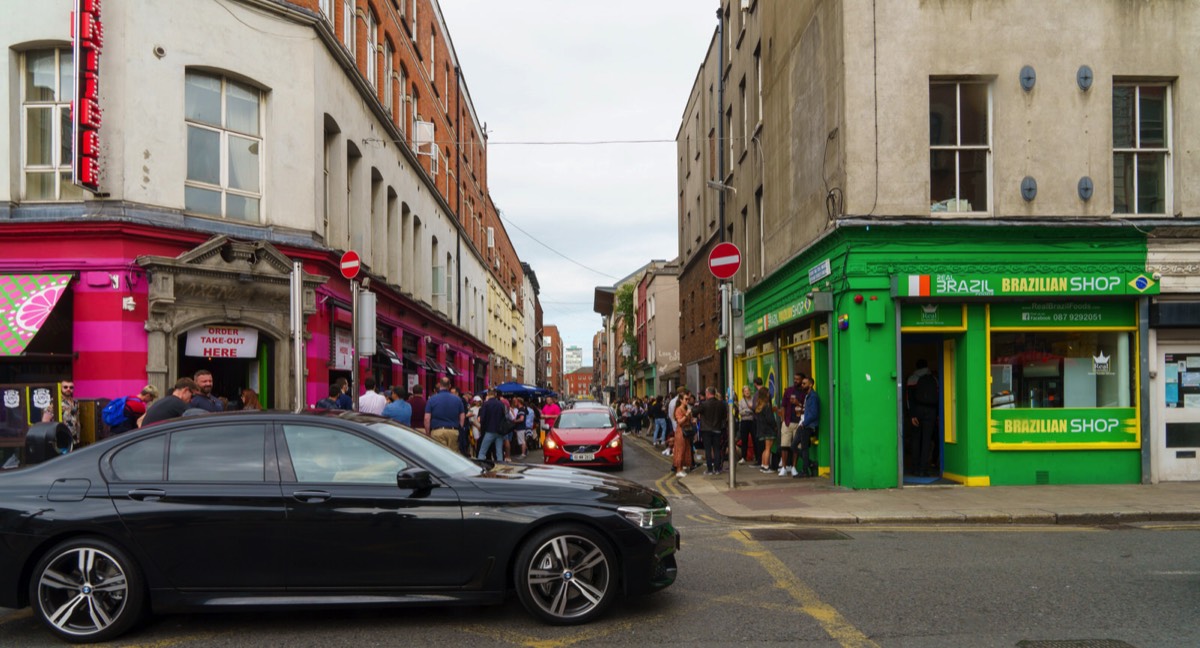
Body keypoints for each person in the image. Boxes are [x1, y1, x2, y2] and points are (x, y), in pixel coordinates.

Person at [908, 359, 940, 476]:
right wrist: (937, 415)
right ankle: (924, 469)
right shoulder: (934, 379)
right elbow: (938, 397)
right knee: (927, 440)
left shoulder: (912, 378)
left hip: (917, 411)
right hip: (931, 411)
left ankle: (914, 468)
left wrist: (912, 414)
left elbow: (909, 398)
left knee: (916, 439)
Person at [694, 387, 728, 475]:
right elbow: (724, 416)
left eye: (706, 393)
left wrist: (695, 407)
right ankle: (717, 469)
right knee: (717, 449)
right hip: (717, 429)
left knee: (708, 450)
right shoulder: (721, 404)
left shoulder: (704, 404)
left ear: (708, 393)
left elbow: (694, 412)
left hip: (706, 430)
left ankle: (709, 469)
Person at [425, 377, 465, 449]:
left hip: (437, 431)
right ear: (449, 386)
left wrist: (428, 433)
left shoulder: (432, 399)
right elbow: (462, 416)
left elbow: (427, 418)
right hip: (453, 431)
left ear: (440, 385)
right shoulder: (457, 399)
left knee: (439, 456)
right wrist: (460, 428)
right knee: (453, 456)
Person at [779, 373, 805, 476]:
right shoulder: (788, 391)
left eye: (798, 379)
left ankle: (794, 467)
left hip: (799, 422)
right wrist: (783, 419)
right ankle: (784, 467)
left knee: (796, 446)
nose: (796, 381)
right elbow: (783, 406)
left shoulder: (804, 393)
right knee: (784, 445)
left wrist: (797, 403)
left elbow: (805, 406)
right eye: (795, 379)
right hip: (788, 421)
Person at [794, 376, 821, 478]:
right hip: (804, 424)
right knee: (793, 446)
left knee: (804, 448)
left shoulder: (813, 396)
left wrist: (804, 423)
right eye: (802, 383)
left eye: (804, 383)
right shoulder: (807, 395)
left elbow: (814, 413)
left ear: (811, 384)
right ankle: (811, 464)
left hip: (808, 426)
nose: (802, 385)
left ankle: (805, 471)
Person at [42, 380, 81, 446]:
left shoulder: (75, 402)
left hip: (74, 438)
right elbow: (45, 420)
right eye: (65, 387)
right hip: (60, 437)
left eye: (71, 387)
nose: (68, 389)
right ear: (60, 388)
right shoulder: (54, 401)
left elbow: (76, 418)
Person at [476, 389, 507, 462]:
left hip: (489, 430)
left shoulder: (486, 404)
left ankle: (480, 466)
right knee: (499, 452)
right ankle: (500, 467)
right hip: (499, 431)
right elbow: (504, 417)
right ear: (495, 394)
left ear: (488, 394)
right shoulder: (501, 404)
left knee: (482, 451)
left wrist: (482, 427)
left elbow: (482, 419)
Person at [753, 386, 779, 473]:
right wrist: (775, 426)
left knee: (765, 448)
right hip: (768, 430)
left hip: (762, 430)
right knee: (768, 449)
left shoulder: (759, 406)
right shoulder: (767, 406)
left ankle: (763, 466)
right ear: (766, 395)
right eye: (768, 393)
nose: (769, 394)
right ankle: (767, 467)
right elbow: (770, 419)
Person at [672, 392, 695, 478]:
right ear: (681, 400)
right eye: (686, 399)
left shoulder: (686, 408)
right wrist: (686, 414)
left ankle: (681, 468)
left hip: (686, 431)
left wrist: (692, 421)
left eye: (688, 399)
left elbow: (687, 420)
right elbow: (679, 421)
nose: (687, 401)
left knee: (685, 450)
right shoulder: (678, 409)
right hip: (681, 432)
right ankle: (678, 470)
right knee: (680, 450)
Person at [736, 385, 755, 464]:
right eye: (745, 391)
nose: (747, 392)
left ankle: (756, 456)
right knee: (744, 440)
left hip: (752, 421)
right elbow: (740, 412)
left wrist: (746, 411)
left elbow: (755, 410)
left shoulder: (753, 400)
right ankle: (743, 457)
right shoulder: (741, 401)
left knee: (755, 439)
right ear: (743, 393)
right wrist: (748, 411)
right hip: (744, 422)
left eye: (748, 391)